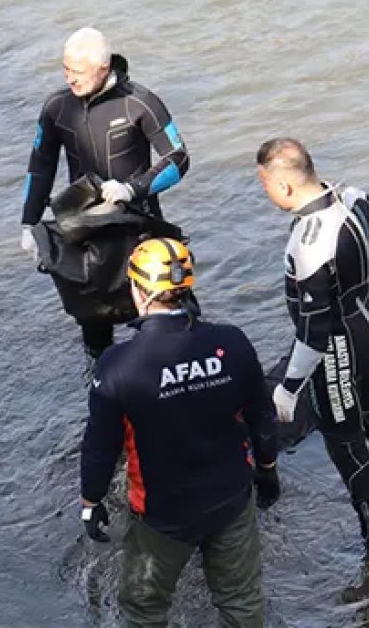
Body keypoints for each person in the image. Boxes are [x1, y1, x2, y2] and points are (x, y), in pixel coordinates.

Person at [80, 238, 280, 627]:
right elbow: (262, 417)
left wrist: (91, 500)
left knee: (144, 610)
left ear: (137, 290)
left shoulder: (118, 366)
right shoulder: (232, 342)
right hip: (231, 500)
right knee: (241, 604)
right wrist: (268, 468)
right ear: (187, 287)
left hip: (163, 514)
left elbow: (101, 447)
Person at [255, 138, 369, 550]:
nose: (266, 195)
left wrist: (289, 389)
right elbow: (363, 201)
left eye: (265, 186)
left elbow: (314, 330)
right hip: (365, 319)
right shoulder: (351, 203)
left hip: (336, 344)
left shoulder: (309, 244)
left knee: (345, 440)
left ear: (285, 186)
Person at [21, 27, 191, 358]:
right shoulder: (57, 107)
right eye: (65, 69)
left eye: (78, 72)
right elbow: (40, 166)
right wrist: (29, 223)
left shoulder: (139, 102)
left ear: (104, 68)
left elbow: (179, 158)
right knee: (95, 333)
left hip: (139, 230)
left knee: (168, 323)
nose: (70, 79)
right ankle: (102, 390)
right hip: (85, 233)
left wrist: (132, 188)